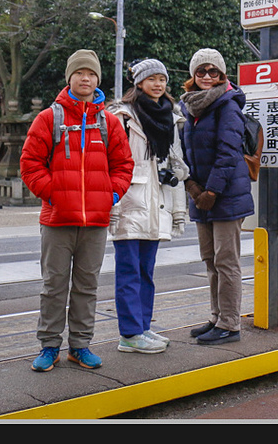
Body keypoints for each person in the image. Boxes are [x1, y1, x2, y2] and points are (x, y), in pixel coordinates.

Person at [20, 49, 134, 372]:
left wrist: (110, 195)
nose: (86, 79)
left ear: (98, 79)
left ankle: (80, 345)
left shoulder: (108, 122)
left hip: (95, 221)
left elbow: (124, 165)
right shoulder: (49, 118)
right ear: (69, 78)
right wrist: (54, 194)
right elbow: (29, 164)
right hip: (57, 219)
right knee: (54, 285)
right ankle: (49, 345)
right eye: (79, 73)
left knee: (87, 285)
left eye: (92, 74)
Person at [107, 59, 189, 354]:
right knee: (129, 270)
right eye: (152, 79)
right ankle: (129, 333)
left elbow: (176, 159)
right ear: (139, 83)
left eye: (162, 80)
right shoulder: (123, 116)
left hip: (157, 201)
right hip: (130, 200)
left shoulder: (170, 115)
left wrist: (178, 173)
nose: (158, 84)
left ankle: (142, 326)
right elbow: (114, 161)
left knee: (147, 270)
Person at [178, 48, 254, 345]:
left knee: (226, 261)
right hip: (201, 195)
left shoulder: (228, 105)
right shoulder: (190, 108)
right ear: (193, 76)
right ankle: (216, 317)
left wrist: (211, 191)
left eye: (213, 72)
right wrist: (194, 188)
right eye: (201, 72)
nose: (207, 77)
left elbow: (228, 153)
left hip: (226, 195)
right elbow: (186, 153)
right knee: (210, 260)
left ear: (222, 75)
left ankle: (230, 324)